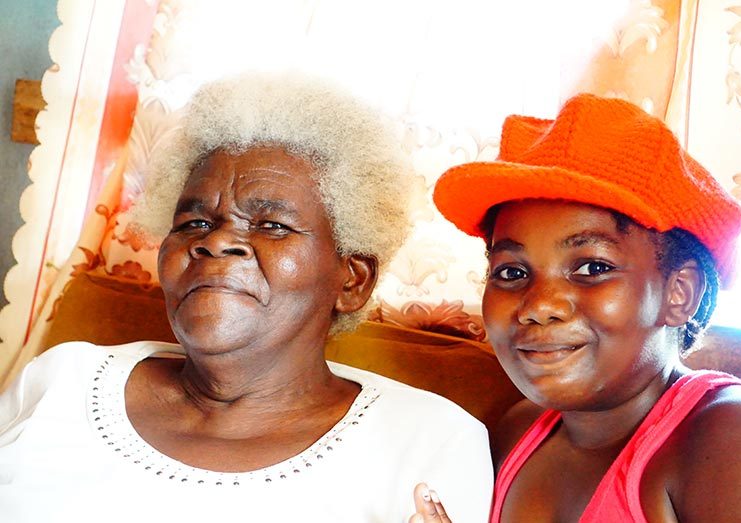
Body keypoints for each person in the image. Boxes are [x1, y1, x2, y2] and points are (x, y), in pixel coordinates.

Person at [0, 71, 493, 522]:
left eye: (272, 225)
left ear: (352, 280)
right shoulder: (64, 379)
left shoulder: (429, 441)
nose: (215, 241)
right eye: (194, 222)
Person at [410, 94, 741, 522]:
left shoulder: (736, 443)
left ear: (679, 293)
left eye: (593, 267)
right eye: (512, 272)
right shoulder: (517, 433)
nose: (539, 306)